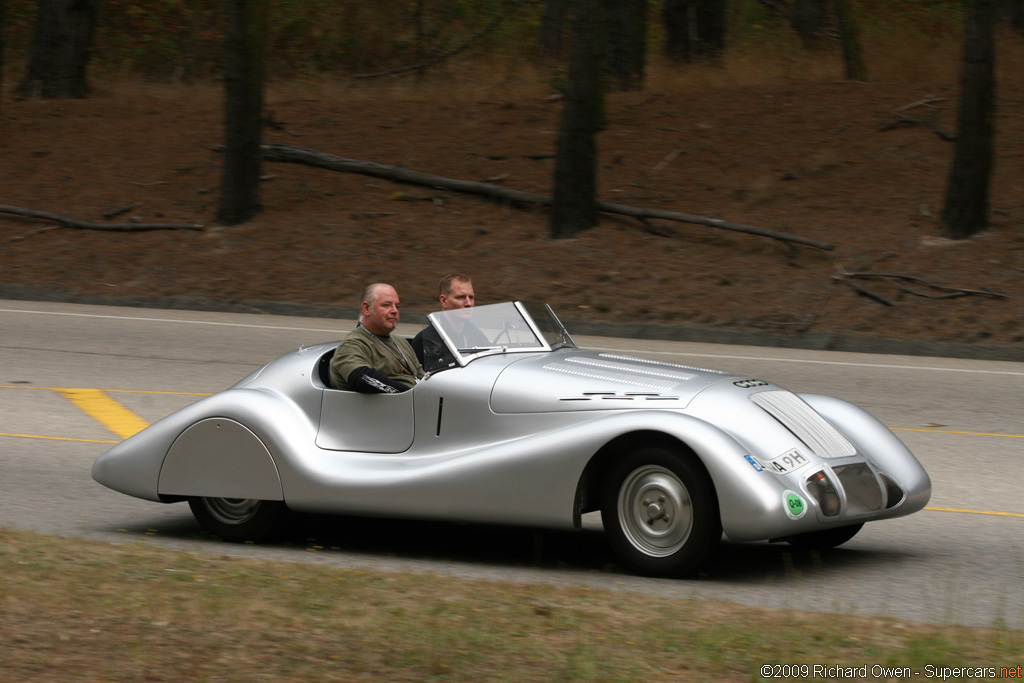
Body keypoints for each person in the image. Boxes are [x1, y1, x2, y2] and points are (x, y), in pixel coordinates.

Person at [330, 283, 424, 393]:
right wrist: (410, 395)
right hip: (395, 405)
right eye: (386, 305)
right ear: (366, 308)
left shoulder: (401, 342)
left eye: (397, 306)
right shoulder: (353, 344)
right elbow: (362, 378)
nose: (394, 311)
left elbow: (423, 378)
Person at [412, 273, 489, 367]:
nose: (468, 303)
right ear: (444, 301)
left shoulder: (476, 334)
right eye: (461, 297)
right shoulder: (426, 341)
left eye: (471, 297)